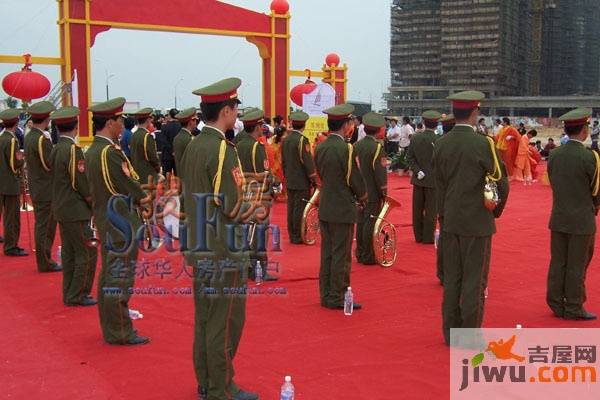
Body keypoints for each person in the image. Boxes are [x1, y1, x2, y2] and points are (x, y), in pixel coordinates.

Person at [182, 78, 259, 400]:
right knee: (225, 321)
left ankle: (206, 380)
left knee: (205, 318)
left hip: (200, 243)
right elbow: (231, 203)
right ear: (226, 110)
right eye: (235, 108)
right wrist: (254, 209)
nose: (237, 114)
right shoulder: (222, 150)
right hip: (222, 248)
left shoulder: (194, 145)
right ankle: (221, 387)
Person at [434, 91, 509, 345]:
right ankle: (468, 335)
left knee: (453, 278)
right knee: (474, 280)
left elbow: (440, 184)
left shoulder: (442, 144)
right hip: (477, 221)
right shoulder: (484, 143)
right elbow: (501, 181)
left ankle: (450, 332)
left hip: (451, 219)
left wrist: (444, 214)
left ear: (455, 112)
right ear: (475, 111)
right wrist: (495, 210)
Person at [85, 97, 151, 346]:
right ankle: (120, 330)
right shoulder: (109, 153)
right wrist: (145, 197)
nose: (122, 123)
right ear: (110, 121)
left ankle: (112, 325)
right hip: (121, 222)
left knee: (109, 276)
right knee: (119, 278)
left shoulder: (94, 150)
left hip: (108, 219)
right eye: (120, 119)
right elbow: (127, 183)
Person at [546, 108, 599, 321]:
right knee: (577, 264)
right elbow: (596, 191)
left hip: (558, 216)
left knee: (558, 262)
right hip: (582, 219)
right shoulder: (590, 157)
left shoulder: (555, 155)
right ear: (584, 130)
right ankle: (574, 306)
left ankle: (556, 302)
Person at [315, 103, 367, 310]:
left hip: (326, 205)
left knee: (327, 253)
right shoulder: (346, 148)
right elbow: (354, 178)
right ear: (346, 125)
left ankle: (326, 294)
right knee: (341, 256)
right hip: (342, 207)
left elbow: (321, 174)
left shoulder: (320, 146)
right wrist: (363, 197)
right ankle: (337, 295)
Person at [48, 106, 97, 307]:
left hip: (61, 207)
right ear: (75, 126)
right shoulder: (73, 150)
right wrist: (91, 201)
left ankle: (69, 292)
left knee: (69, 253)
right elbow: (80, 182)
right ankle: (78, 293)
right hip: (75, 209)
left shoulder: (57, 148)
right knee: (87, 252)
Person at [236, 108, 278, 282]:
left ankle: (245, 268)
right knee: (259, 234)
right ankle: (259, 269)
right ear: (257, 126)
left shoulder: (237, 143)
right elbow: (265, 173)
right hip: (258, 195)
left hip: (242, 193)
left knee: (245, 233)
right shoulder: (256, 147)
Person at [24, 101, 61, 272]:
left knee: (41, 224)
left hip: (37, 185)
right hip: (46, 187)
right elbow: (49, 164)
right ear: (47, 119)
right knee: (45, 227)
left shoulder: (31, 136)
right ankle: (45, 261)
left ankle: (44, 259)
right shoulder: (41, 139)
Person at [353, 112, 387, 265]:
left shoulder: (355, 146)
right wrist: (384, 192)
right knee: (370, 224)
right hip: (372, 193)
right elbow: (380, 174)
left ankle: (360, 252)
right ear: (378, 130)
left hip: (358, 192)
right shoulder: (377, 148)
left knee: (360, 223)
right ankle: (368, 255)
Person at [281, 111, 317, 244]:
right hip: (301, 180)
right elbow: (307, 162)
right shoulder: (302, 140)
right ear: (304, 124)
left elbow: (283, 161)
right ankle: (298, 234)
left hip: (290, 178)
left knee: (291, 207)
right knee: (300, 208)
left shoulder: (286, 139)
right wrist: (313, 178)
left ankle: (292, 233)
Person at [406, 110, 440, 244]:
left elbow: (409, 157)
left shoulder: (415, 138)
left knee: (417, 209)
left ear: (424, 123)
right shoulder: (439, 140)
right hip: (433, 180)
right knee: (431, 211)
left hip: (418, 179)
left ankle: (418, 236)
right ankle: (427, 237)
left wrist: (417, 170)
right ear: (436, 124)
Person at [0, 108, 28, 256]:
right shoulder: (11, 140)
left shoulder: (1, 138)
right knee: (12, 217)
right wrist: (22, 160)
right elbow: (14, 163)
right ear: (16, 122)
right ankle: (11, 246)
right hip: (10, 183)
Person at [130, 108, 160, 185]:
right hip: (148, 174)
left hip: (136, 173)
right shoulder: (147, 136)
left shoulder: (134, 135)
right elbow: (152, 157)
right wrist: (158, 168)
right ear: (147, 120)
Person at [173, 108, 197, 176]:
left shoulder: (177, 137)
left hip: (181, 175)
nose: (196, 122)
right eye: (195, 120)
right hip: (191, 176)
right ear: (190, 122)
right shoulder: (190, 139)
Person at [158, 108, 181, 176]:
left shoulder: (164, 127)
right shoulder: (180, 126)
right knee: (178, 176)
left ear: (170, 115)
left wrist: (171, 151)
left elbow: (164, 141)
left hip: (167, 155)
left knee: (166, 175)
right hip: (178, 154)